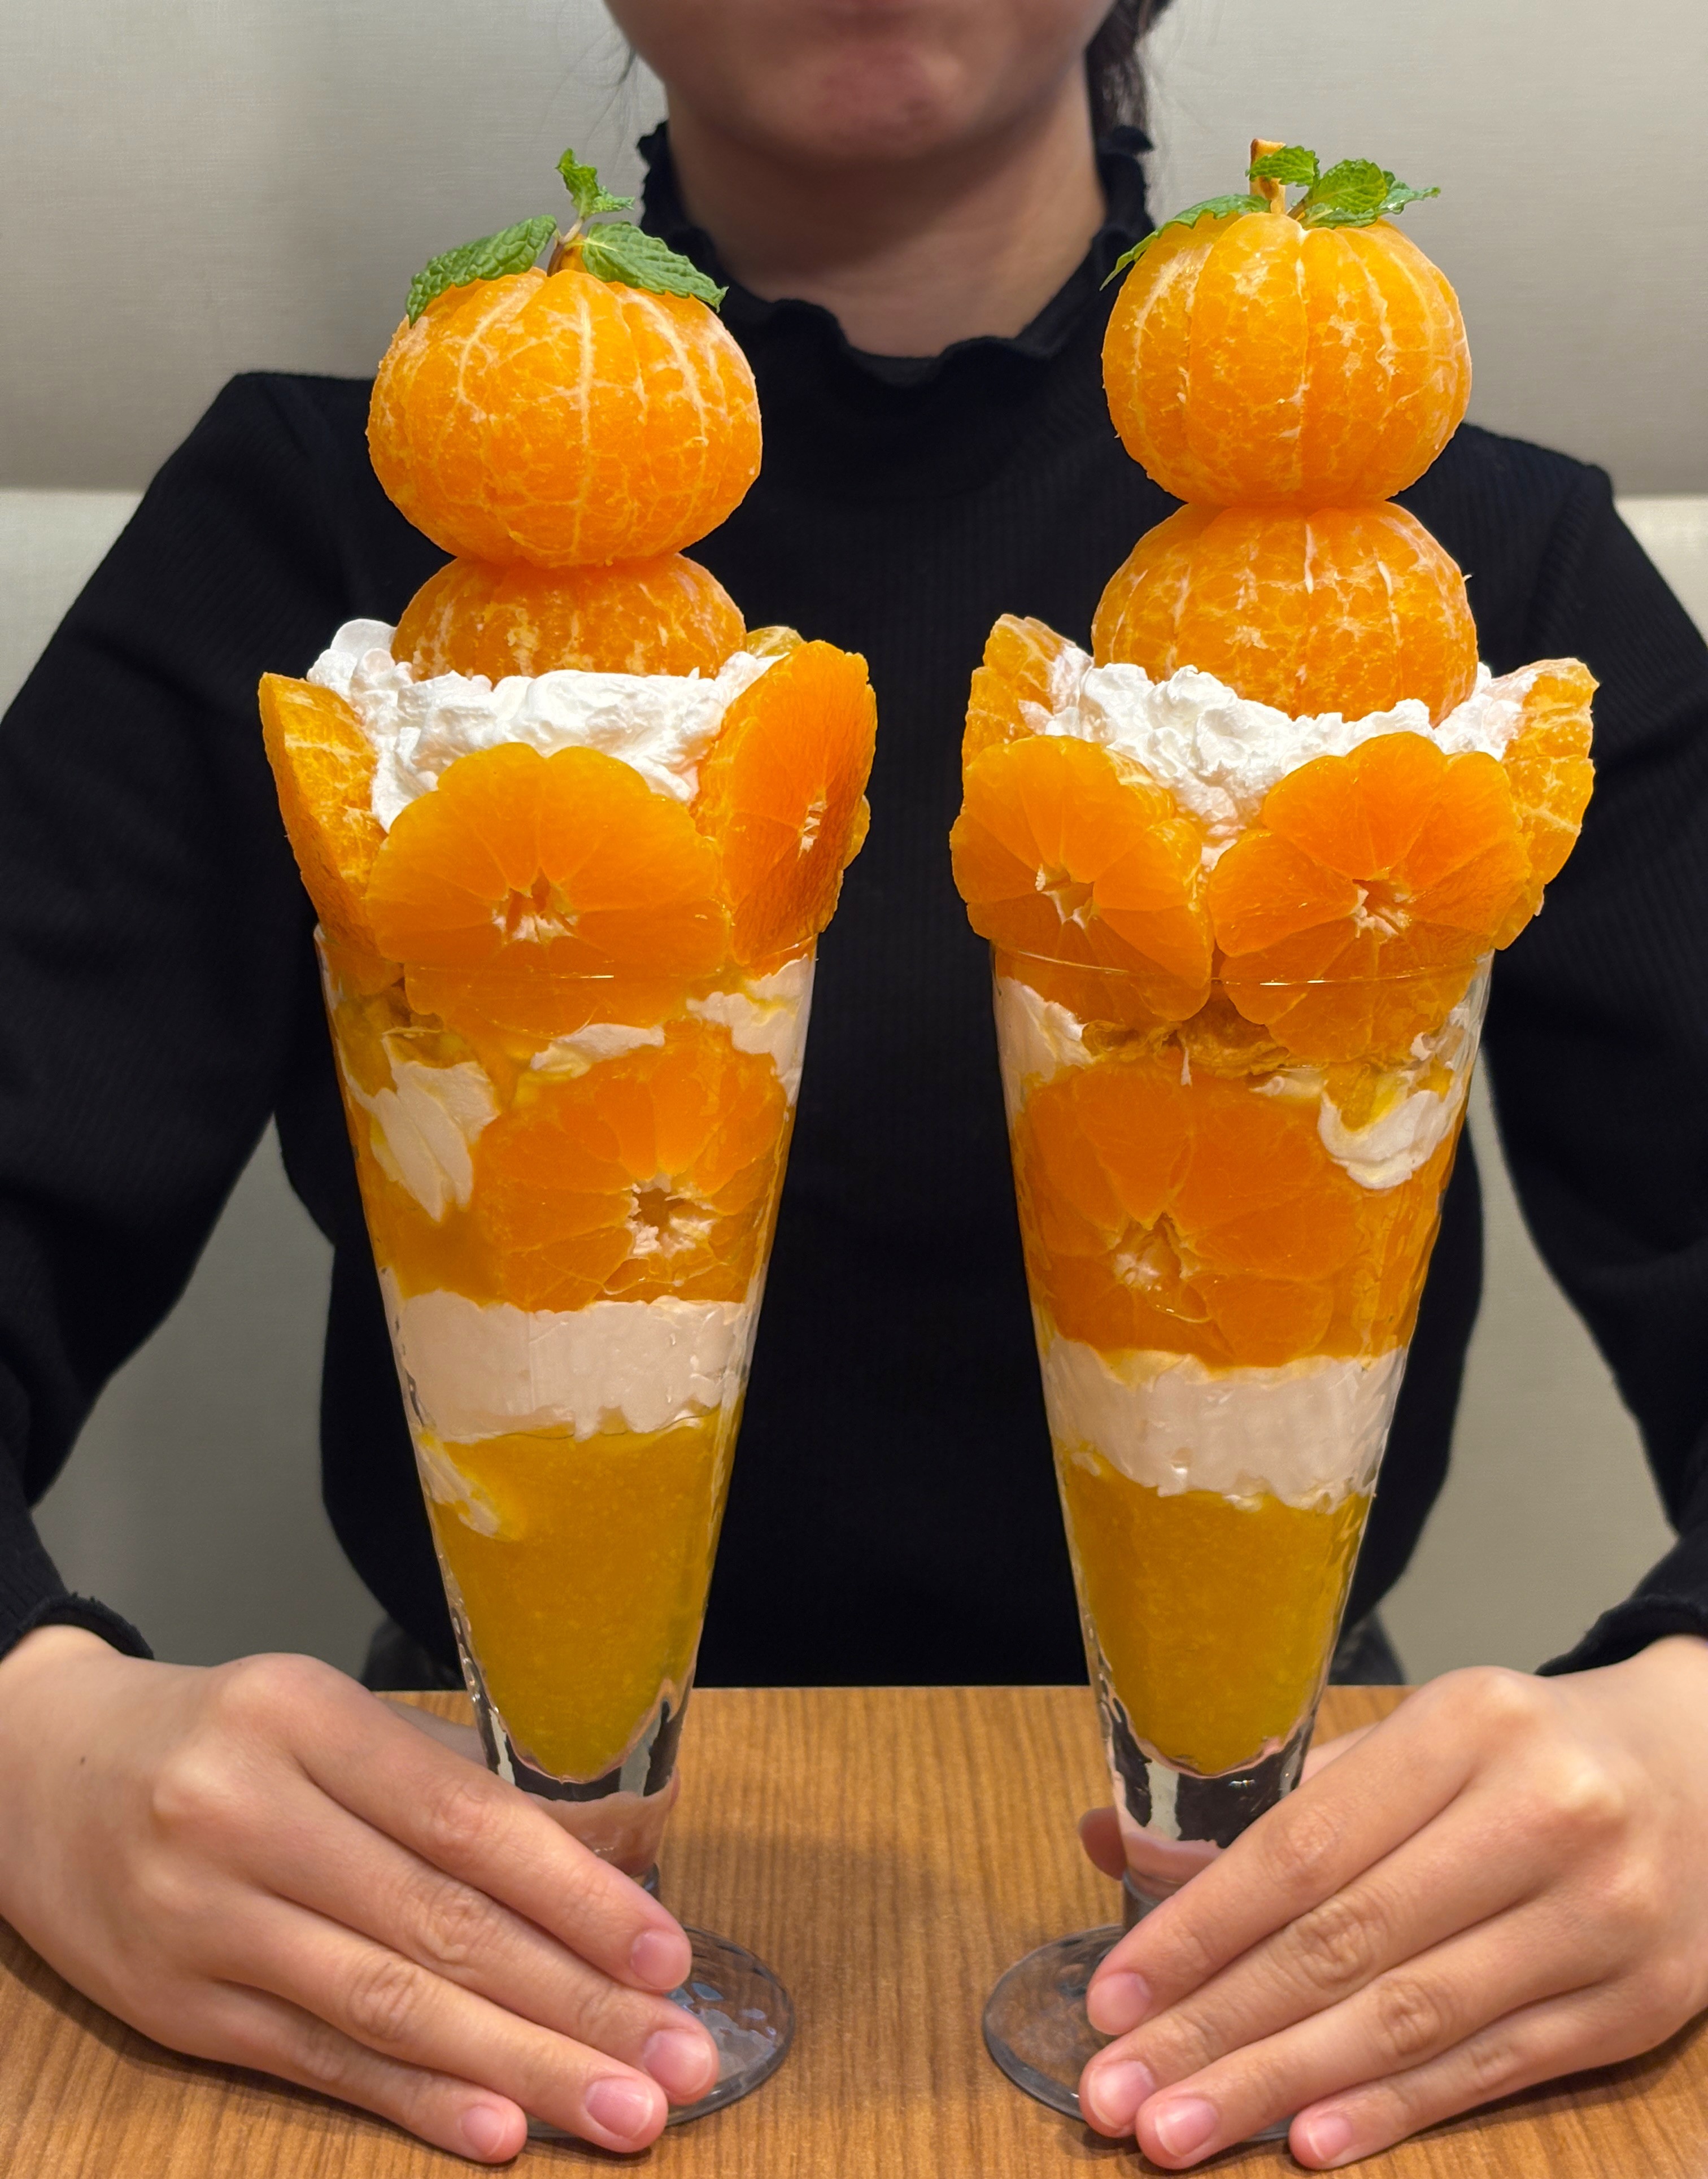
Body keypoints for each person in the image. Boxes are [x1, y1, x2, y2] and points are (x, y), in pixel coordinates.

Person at [1, 0, 1706, 2164]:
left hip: (1307, 1905)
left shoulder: (1449, 583)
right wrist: (28, 1728)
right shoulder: (339, 552)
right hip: (452, 1891)